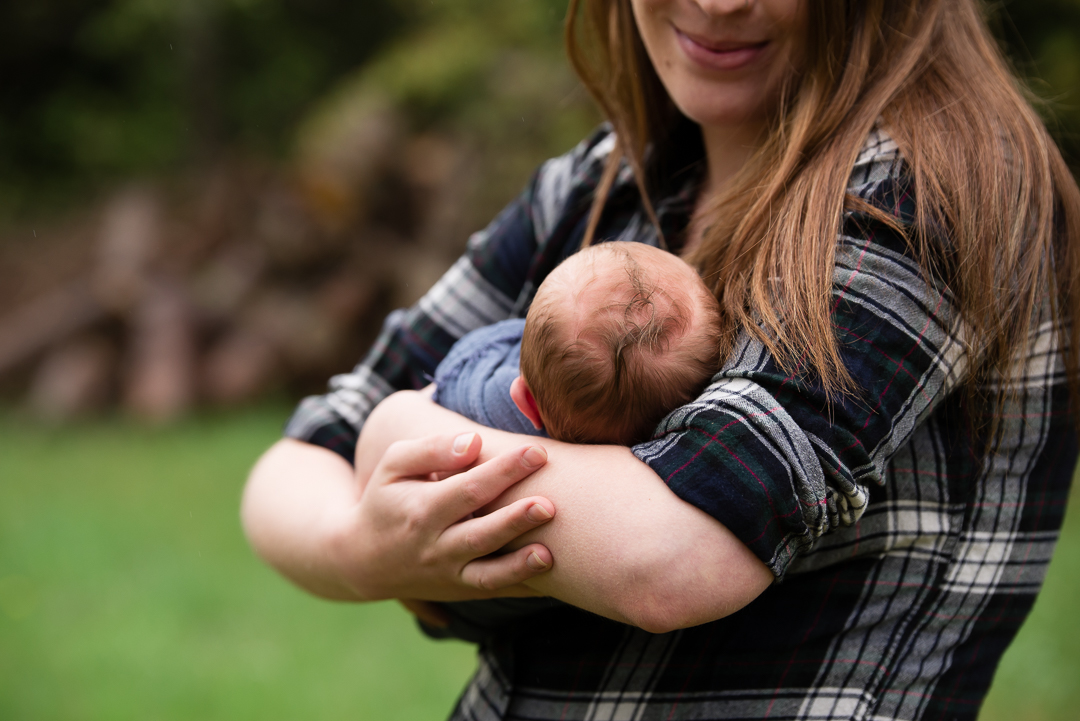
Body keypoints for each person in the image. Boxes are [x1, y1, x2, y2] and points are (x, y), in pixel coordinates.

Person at [241, 1, 1080, 719]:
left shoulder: (927, 191)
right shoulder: (597, 186)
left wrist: (403, 438)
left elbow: (669, 559)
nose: (716, 3)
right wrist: (368, 547)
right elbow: (297, 463)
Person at [418, 240, 722, 641]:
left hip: (464, 599)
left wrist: (514, 343)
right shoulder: (653, 477)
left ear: (526, 400)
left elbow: (456, 370)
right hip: (558, 611)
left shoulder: (484, 397)